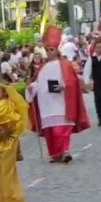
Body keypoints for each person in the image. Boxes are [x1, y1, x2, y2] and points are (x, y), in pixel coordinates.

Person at [26, 26, 90, 162]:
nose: (49, 52)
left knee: (63, 129)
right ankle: (54, 153)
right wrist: (32, 88)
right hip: (47, 104)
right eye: (47, 50)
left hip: (61, 101)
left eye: (52, 49)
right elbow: (37, 83)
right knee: (50, 130)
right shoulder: (42, 68)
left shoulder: (65, 64)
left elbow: (72, 81)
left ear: (56, 49)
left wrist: (64, 86)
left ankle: (65, 150)